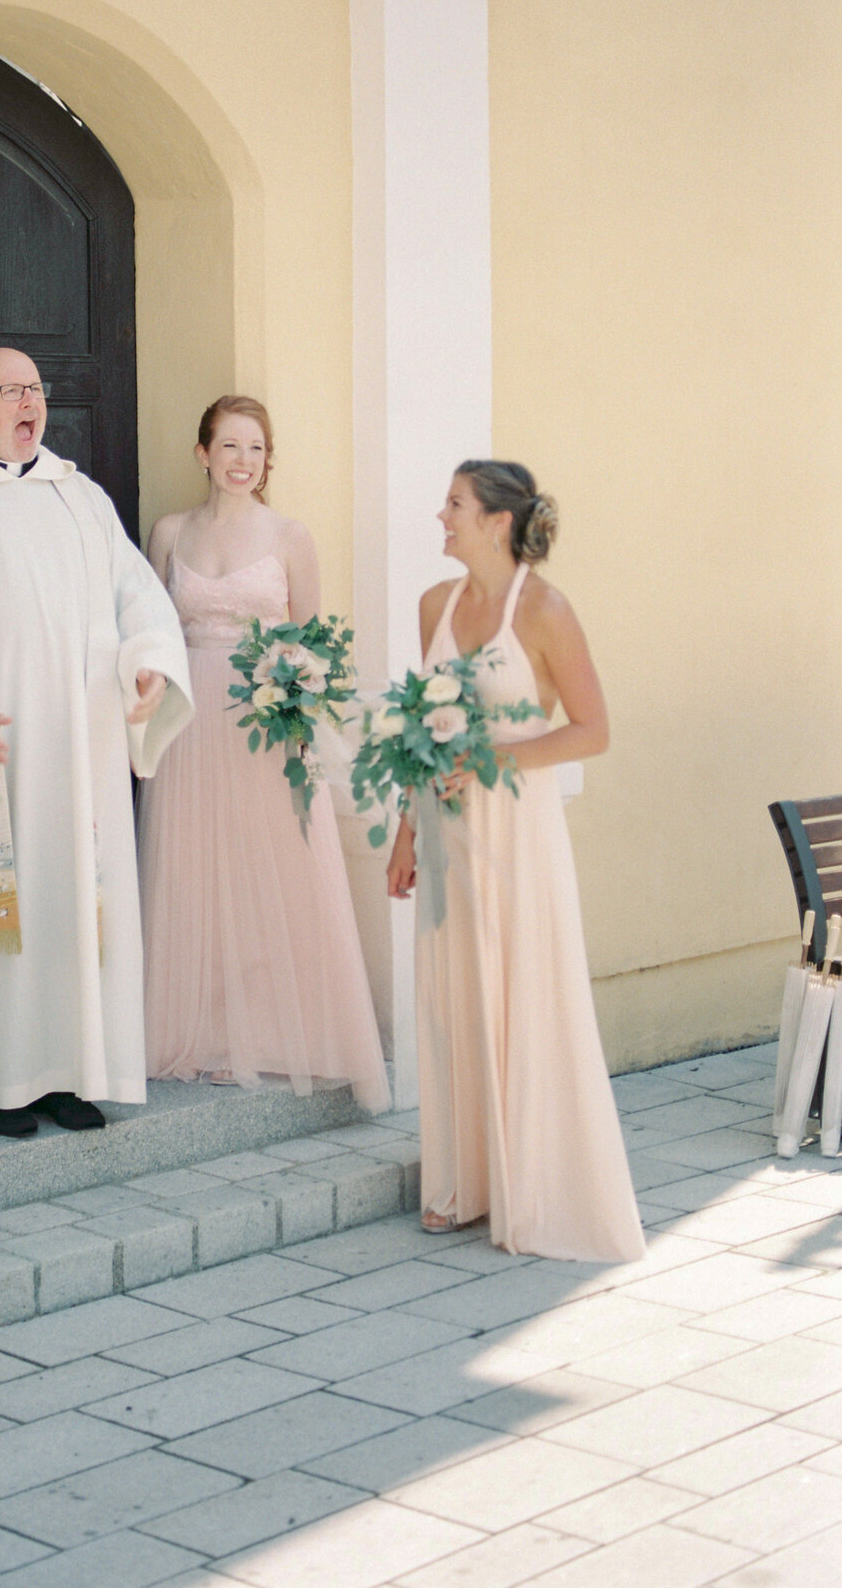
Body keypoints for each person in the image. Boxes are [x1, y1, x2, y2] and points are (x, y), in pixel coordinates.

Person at [0, 347, 193, 1136]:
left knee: (67, 894)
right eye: (9, 390)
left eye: (35, 389)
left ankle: (66, 1069)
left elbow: (137, 593)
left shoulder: (79, 496)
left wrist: (151, 661)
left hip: (79, 742)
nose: (28, 403)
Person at [386, 459, 643, 1263]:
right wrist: (405, 832)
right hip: (445, 827)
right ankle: (460, 1183)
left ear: (497, 520)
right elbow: (417, 729)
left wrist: (495, 754)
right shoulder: (434, 604)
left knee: (521, 992)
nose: (442, 516)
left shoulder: (545, 609)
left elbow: (591, 730)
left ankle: (530, 1183)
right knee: (450, 996)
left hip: (517, 835)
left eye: (455, 504)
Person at [139, 396, 390, 1105]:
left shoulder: (291, 536)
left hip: (266, 724)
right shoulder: (168, 531)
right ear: (203, 453)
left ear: (266, 459)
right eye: (229, 446)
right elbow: (152, 628)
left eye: (256, 448)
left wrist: (297, 695)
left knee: (265, 867)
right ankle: (200, 1028)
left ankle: (272, 1029)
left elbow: (313, 641)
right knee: (191, 866)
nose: (242, 461)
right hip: (187, 723)